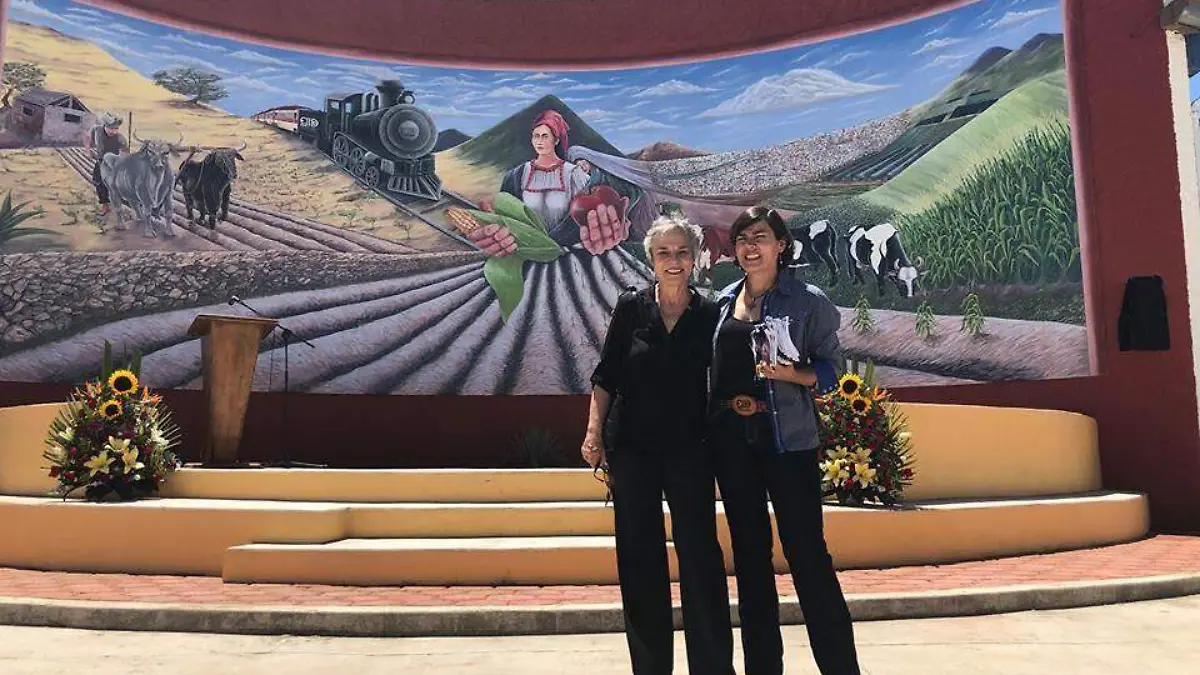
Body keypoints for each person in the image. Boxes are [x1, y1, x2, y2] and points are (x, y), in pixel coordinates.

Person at [708, 206, 861, 675]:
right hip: (733, 445)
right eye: (742, 239)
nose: (750, 246)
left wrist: (792, 374)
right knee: (750, 560)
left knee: (807, 554)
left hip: (788, 442)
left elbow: (835, 372)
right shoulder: (721, 302)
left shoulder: (808, 301)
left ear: (781, 245)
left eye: (760, 236)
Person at [582, 215, 735, 675]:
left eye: (682, 252)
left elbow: (723, 385)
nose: (673, 260)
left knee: (700, 557)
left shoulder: (709, 314)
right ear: (650, 259)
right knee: (639, 558)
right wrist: (593, 433)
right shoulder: (631, 308)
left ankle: (712, 667)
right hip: (633, 451)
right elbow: (606, 375)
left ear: (695, 258)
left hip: (691, 450)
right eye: (664, 252)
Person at [468, 109, 636, 256]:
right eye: (536, 136)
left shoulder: (573, 174)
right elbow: (506, 215)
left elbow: (590, 212)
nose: (539, 141)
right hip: (527, 254)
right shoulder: (517, 175)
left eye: (545, 136)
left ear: (556, 140)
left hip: (571, 255)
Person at [84, 112, 127, 216]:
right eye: (111, 128)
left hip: (113, 164)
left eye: (116, 129)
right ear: (105, 126)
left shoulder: (120, 138)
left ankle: (119, 207)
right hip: (101, 161)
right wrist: (87, 151)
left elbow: (125, 152)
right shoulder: (96, 130)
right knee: (98, 181)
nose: (114, 131)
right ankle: (105, 205)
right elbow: (87, 137)